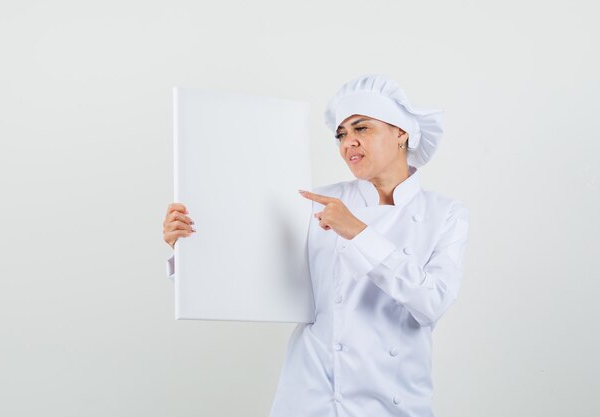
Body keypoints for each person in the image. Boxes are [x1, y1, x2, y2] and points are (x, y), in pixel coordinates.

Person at [162, 74, 470, 417]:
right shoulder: (318, 201)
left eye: (361, 128)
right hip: (311, 398)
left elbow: (432, 301)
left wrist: (358, 231)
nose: (347, 143)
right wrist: (186, 250)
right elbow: (251, 279)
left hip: (394, 401)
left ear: (401, 132)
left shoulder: (444, 214)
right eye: (341, 134)